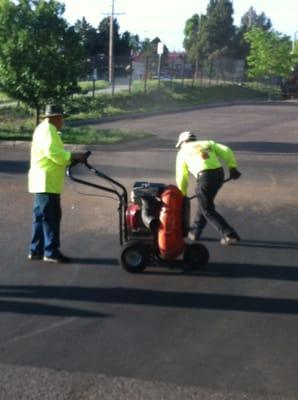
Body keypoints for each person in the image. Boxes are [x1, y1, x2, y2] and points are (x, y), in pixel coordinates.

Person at [28, 104, 88, 263]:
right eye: (61, 117)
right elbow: (53, 153)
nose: (63, 121)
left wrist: (70, 156)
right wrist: (73, 156)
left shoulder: (42, 128)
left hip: (40, 181)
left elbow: (53, 151)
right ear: (55, 117)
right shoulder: (48, 130)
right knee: (51, 217)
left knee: (41, 217)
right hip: (47, 182)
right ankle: (50, 251)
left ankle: (36, 250)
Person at [175, 131, 241, 245]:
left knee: (207, 209)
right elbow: (226, 151)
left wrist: (182, 194)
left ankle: (230, 235)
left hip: (205, 177)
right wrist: (232, 168)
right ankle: (195, 231)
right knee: (205, 203)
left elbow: (182, 176)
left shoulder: (182, 152)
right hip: (219, 174)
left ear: (183, 142)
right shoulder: (207, 143)